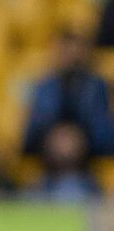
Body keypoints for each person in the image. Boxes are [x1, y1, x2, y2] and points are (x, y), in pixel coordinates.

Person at [22, 28, 114, 158]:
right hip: (48, 161)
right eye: (66, 51)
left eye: (76, 51)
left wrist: (78, 139)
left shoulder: (96, 87)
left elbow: (103, 134)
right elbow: (32, 134)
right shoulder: (44, 86)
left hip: (87, 161)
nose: (72, 58)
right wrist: (56, 137)